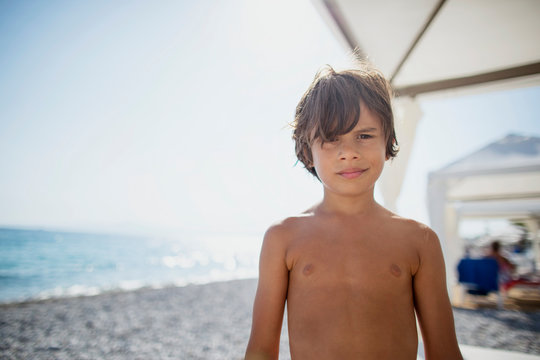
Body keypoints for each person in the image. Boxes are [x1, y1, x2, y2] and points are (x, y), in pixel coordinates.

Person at [245, 64, 462, 359]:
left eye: (364, 136)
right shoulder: (283, 238)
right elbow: (260, 350)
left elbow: (445, 351)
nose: (348, 152)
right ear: (308, 152)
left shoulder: (419, 241)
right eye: (331, 138)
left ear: (390, 142)